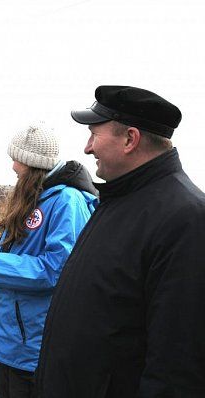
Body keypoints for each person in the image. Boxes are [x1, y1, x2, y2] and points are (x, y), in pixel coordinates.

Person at [35, 86, 205, 397]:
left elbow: (177, 368)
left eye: (94, 135)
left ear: (130, 139)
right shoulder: (118, 200)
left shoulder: (186, 219)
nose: (87, 149)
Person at [0, 125, 98, 398]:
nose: (13, 166)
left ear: (34, 165)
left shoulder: (66, 202)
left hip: (35, 341)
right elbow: (21, 251)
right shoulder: (36, 197)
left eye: (18, 162)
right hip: (13, 337)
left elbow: (58, 269)